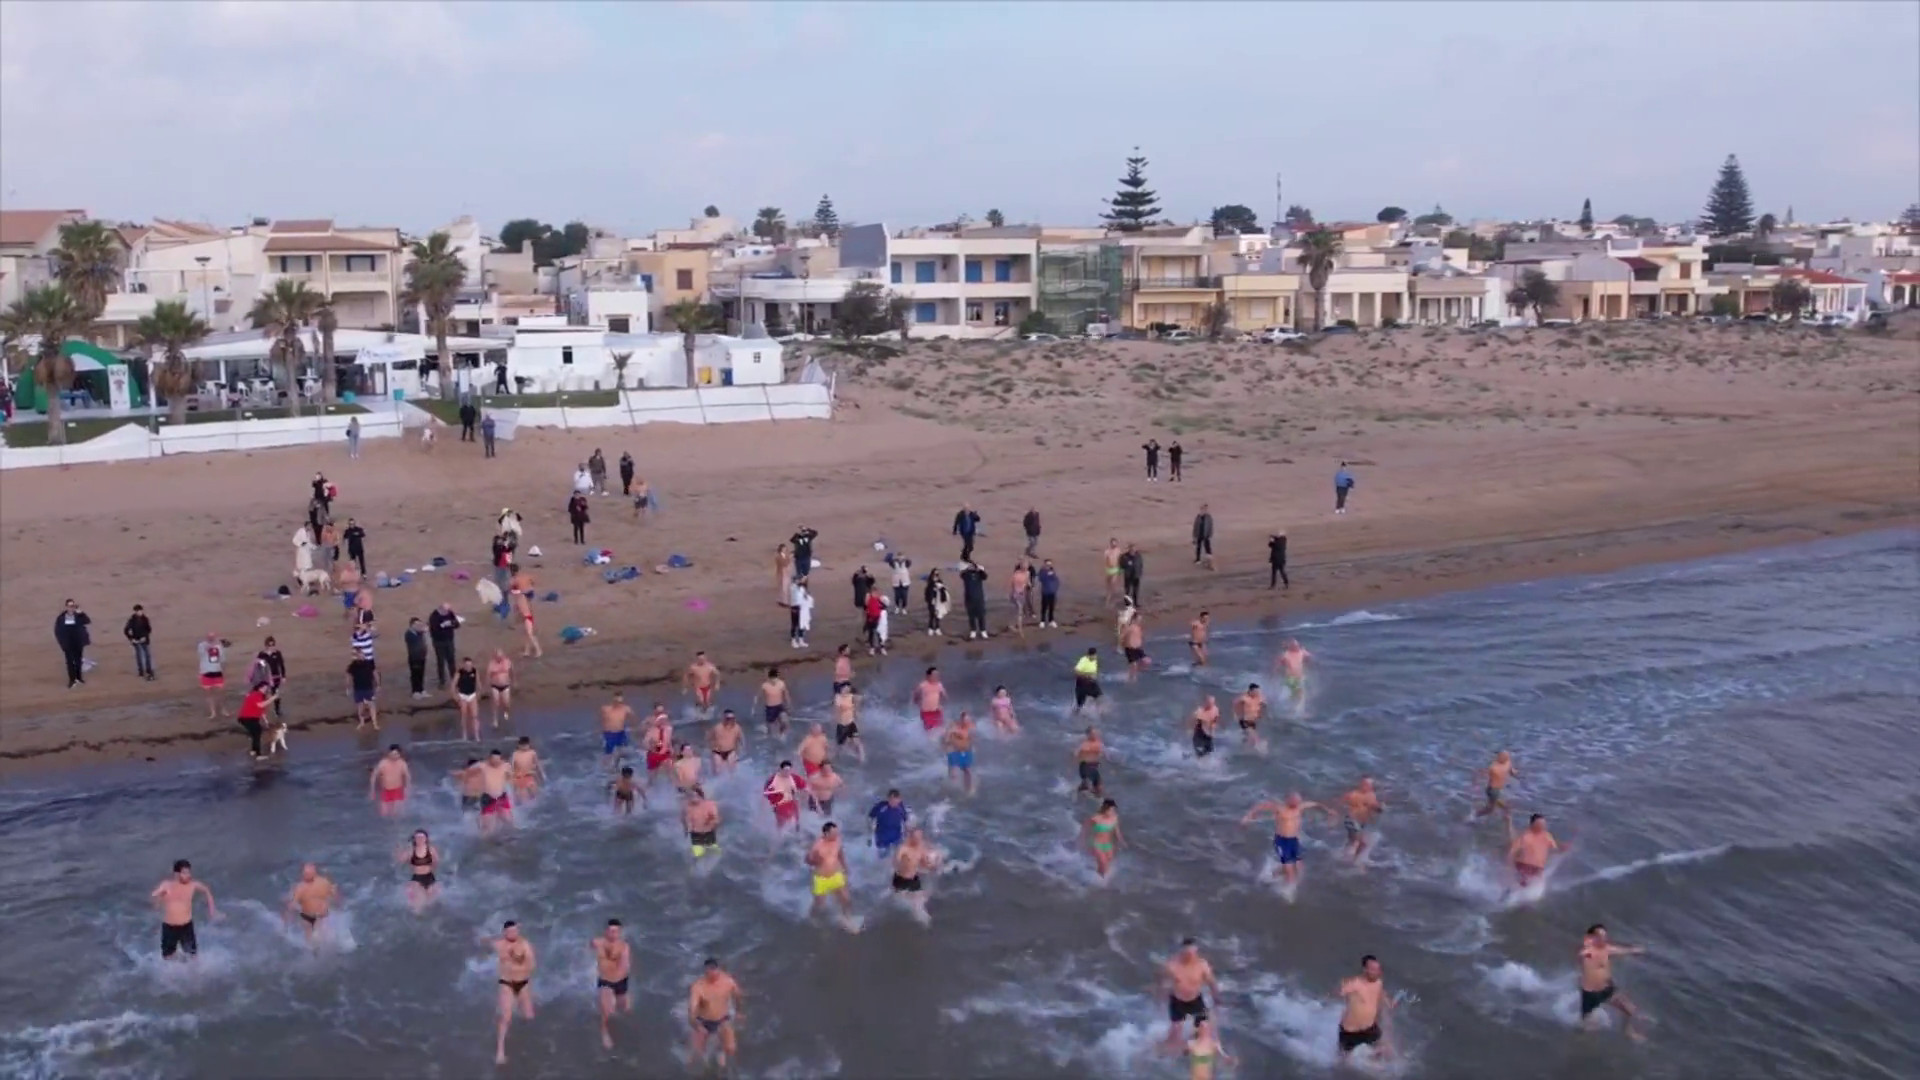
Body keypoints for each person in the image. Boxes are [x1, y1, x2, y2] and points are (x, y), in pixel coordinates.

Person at [1241, 793, 1337, 886]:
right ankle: (1288, 893)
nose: (1298, 803)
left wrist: (1328, 811)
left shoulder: (1300, 807)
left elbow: (1316, 804)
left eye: (1299, 801)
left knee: (1299, 867)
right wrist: (1248, 816)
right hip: (1282, 841)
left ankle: (1271, 876)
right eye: (1295, 801)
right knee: (1290, 872)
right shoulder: (1279, 808)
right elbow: (1260, 806)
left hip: (1294, 841)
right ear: (1288, 800)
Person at [1579, 924, 1648, 1040]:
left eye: (1604, 936)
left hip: (1607, 989)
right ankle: (1579, 1041)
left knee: (1629, 1010)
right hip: (1591, 993)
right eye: (1600, 936)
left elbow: (1622, 951)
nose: (1603, 939)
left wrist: (1634, 950)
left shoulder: (1607, 949)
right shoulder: (1587, 952)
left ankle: (1628, 1032)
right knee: (1585, 1026)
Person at [488, 921, 537, 1065]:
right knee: (506, 1016)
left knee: (529, 1016)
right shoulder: (499, 945)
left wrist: (517, 959)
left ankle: (518, 1029)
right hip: (506, 983)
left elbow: (532, 964)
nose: (513, 934)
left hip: (523, 983)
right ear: (504, 933)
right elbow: (487, 942)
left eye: (515, 931)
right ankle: (500, 1051)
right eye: (510, 932)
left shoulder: (524, 945)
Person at [152, 859, 219, 960]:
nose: (188, 875)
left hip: (186, 926)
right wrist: (159, 896)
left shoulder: (192, 885)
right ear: (176, 874)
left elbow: (206, 890)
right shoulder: (167, 885)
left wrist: (212, 910)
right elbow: (154, 898)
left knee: (193, 957)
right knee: (167, 959)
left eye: (189, 872)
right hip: (170, 927)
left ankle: (195, 974)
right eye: (184, 873)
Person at [688, 958, 744, 1069]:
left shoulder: (728, 982)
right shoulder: (698, 987)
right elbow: (692, 1010)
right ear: (705, 972)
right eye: (709, 971)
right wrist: (696, 1025)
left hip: (723, 1019)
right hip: (703, 1021)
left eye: (714, 969)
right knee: (696, 1056)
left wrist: (739, 1012)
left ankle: (721, 1057)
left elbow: (738, 997)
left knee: (731, 1049)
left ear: (719, 969)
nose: (713, 973)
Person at [1162, 939, 1220, 1046]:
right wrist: (1161, 995)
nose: (1190, 956)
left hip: (1195, 1000)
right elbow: (1163, 983)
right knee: (1175, 1032)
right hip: (1177, 1001)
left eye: (1193, 953)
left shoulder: (1202, 965)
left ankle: (1195, 1048)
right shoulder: (1172, 965)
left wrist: (1216, 998)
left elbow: (1212, 982)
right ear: (1181, 952)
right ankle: (1165, 1048)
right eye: (1187, 953)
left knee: (1203, 1029)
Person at [1337, 955, 1392, 1058]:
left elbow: (1381, 994)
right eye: (1373, 969)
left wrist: (1389, 1002)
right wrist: (1340, 989)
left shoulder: (1378, 982)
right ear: (1365, 970)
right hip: (1350, 1032)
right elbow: (1339, 992)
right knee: (1343, 1062)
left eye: (1378, 969)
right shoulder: (1354, 984)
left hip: (1369, 1028)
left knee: (1383, 1051)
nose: (1377, 972)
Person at [806, 822, 856, 929]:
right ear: (826, 834)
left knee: (846, 899)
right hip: (821, 878)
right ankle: (811, 917)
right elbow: (807, 859)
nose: (836, 835)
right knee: (820, 904)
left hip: (836, 874)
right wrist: (814, 861)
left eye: (837, 833)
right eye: (834, 833)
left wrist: (845, 867)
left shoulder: (837, 840)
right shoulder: (817, 845)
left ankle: (847, 918)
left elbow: (840, 853)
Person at [592, 920, 633, 1049]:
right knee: (607, 1010)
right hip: (606, 982)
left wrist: (620, 963)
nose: (612, 934)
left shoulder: (624, 947)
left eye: (615, 931)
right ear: (606, 931)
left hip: (621, 981)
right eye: (610, 931)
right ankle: (604, 1032)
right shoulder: (598, 943)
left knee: (625, 1008)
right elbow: (591, 946)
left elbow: (624, 964)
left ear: (620, 933)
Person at [892, 826, 943, 923]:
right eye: (916, 837)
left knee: (919, 902)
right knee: (902, 903)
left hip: (914, 879)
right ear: (911, 837)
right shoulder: (903, 848)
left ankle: (926, 924)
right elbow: (895, 862)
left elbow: (925, 864)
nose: (918, 839)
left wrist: (933, 866)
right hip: (901, 880)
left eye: (920, 837)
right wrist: (901, 864)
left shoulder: (921, 848)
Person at [284, 863, 338, 949]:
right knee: (312, 938)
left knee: (326, 937)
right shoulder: (300, 888)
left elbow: (334, 895)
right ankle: (314, 949)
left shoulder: (323, 883)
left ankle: (318, 948)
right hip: (308, 917)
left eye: (308, 873)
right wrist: (286, 923)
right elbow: (291, 906)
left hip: (322, 915)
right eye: (305, 874)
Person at [1507, 813, 1563, 890]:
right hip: (1524, 866)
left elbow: (1554, 850)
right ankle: (1508, 894)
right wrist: (1509, 865)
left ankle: (1519, 893)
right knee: (1520, 885)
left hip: (1538, 868)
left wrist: (1561, 849)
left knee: (1535, 886)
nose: (1543, 826)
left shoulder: (1547, 836)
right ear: (1532, 824)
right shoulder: (1526, 836)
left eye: (1544, 824)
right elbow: (1513, 851)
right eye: (1540, 824)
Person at [1340, 777, 1386, 866]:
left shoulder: (1371, 795)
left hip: (1361, 822)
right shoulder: (1353, 794)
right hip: (1351, 820)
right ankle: (1356, 861)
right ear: (1362, 785)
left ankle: (1344, 857)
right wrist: (1334, 814)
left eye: (1370, 785)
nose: (1369, 787)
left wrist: (1380, 808)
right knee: (1362, 843)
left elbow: (1373, 807)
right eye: (1366, 784)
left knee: (1352, 842)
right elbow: (1340, 803)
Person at [235, 680, 279, 758]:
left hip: (250, 718)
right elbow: (260, 705)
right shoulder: (256, 695)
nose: (265, 690)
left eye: (266, 688)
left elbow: (261, 711)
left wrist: (265, 720)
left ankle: (254, 751)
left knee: (256, 734)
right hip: (247, 718)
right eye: (264, 688)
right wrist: (272, 699)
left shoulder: (259, 696)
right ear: (259, 688)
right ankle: (258, 754)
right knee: (257, 733)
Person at [1083, 799, 1125, 878]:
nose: (1112, 812)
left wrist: (1121, 841)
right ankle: (1101, 883)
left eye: (1113, 810)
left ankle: (1097, 878)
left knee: (1107, 863)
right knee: (1104, 864)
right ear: (1105, 808)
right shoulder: (1095, 818)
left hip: (1108, 845)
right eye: (1111, 809)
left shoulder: (1114, 818)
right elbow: (1085, 830)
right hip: (1096, 844)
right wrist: (1084, 841)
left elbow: (1117, 831)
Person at [477, 749, 515, 833]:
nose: (496, 763)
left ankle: (509, 838)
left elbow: (511, 779)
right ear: (489, 759)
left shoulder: (506, 766)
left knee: (509, 821)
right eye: (493, 760)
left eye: (498, 760)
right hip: (488, 798)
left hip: (501, 796)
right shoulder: (482, 766)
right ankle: (485, 840)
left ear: (501, 759)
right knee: (488, 828)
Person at [401, 830, 439, 911]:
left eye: (422, 837)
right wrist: (403, 849)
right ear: (414, 839)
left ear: (426, 839)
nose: (420, 839)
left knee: (430, 904)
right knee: (417, 907)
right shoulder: (411, 851)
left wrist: (431, 870)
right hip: (417, 878)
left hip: (430, 876)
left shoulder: (431, 850)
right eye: (418, 838)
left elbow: (436, 862)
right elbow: (401, 860)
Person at [1475, 750, 1519, 819]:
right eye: (1500, 756)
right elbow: (1483, 774)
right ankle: (1474, 816)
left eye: (1505, 757)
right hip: (1492, 790)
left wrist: (1516, 773)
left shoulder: (1508, 763)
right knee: (1490, 809)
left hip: (1497, 790)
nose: (1500, 758)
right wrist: (1476, 784)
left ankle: (1505, 814)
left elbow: (1512, 771)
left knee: (1502, 805)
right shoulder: (1493, 767)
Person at [369, 744, 411, 815]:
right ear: (389, 753)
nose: (394, 756)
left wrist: (408, 789)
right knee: (384, 814)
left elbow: (407, 776)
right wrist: (372, 791)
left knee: (396, 814)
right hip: (386, 791)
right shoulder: (383, 763)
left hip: (398, 790)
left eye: (397, 754)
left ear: (400, 754)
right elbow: (374, 776)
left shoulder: (402, 763)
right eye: (393, 754)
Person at [428, 603, 461, 688]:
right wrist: (443, 625)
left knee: (451, 660)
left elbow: (457, 624)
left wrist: (452, 623)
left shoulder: (450, 613)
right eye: (446, 611)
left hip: (449, 640)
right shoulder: (434, 616)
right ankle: (442, 681)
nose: (447, 613)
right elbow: (434, 630)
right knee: (441, 661)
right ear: (441, 609)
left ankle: (454, 680)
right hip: (439, 642)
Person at [195, 632, 228, 717]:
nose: (211, 638)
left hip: (217, 671)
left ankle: (223, 709)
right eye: (209, 637)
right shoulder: (202, 646)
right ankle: (213, 712)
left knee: (220, 693)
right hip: (206, 672)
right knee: (209, 694)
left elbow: (222, 659)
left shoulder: (219, 647)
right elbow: (201, 653)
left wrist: (223, 670)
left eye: (212, 637)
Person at [868, 789, 911, 854]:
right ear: (888, 799)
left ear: (899, 799)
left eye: (895, 800)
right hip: (882, 836)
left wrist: (907, 834)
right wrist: (869, 835)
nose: (892, 802)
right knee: (883, 856)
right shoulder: (881, 806)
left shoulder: (901, 808)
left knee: (898, 855)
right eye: (891, 800)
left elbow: (906, 821)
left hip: (896, 836)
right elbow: (870, 818)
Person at [685, 785, 722, 857]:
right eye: (691, 796)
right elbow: (687, 820)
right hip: (695, 835)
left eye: (695, 796)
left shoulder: (710, 804)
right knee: (698, 856)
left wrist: (710, 823)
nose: (693, 798)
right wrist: (686, 829)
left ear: (700, 795)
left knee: (714, 855)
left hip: (708, 833)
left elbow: (717, 819)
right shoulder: (689, 807)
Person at [944, 712, 976, 794]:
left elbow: (973, 740)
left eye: (968, 720)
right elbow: (946, 739)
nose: (967, 722)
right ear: (961, 720)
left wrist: (972, 748)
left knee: (967, 771)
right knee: (953, 773)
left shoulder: (971, 727)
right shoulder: (954, 727)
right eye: (965, 720)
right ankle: (950, 787)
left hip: (966, 752)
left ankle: (968, 789)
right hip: (955, 752)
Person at [764, 761, 802, 831]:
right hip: (779, 803)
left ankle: (795, 831)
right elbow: (766, 794)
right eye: (785, 770)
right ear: (781, 770)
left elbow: (803, 788)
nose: (787, 772)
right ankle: (779, 834)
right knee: (781, 823)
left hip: (792, 802)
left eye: (789, 770)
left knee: (796, 821)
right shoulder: (773, 779)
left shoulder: (793, 777)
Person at [832, 684, 865, 762]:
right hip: (842, 725)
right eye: (844, 689)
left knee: (857, 742)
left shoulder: (851, 697)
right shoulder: (838, 698)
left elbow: (859, 698)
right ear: (841, 690)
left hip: (851, 723)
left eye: (848, 689)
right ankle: (833, 759)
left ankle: (862, 760)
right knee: (839, 747)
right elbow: (837, 710)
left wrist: (856, 710)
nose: (846, 691)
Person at [348, 654, 380, 730]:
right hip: (358, 689)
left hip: (368, 688)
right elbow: (348, 675)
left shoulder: (369, 664)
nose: (359, 657)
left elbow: (375, 673)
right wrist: (347, 686)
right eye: (358, 655)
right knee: (360, 706)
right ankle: (362, 723)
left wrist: (378, 684)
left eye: (361, 655)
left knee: (371, 705)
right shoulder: (353, 665)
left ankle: (375, 723)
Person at [123, 603, 154, 681]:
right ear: (135, 611)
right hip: (136, 640)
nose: (139, 612)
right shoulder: (132, 620)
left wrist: (145, 637)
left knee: (147, 655)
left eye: (140, 611)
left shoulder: (145, 619)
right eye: (137, 611)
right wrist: (131, 639)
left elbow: (149, 629)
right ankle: (141, 671)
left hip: (144, 640)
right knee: (139, 656)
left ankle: (148, 670)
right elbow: (126, 630)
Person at [1232, 683, 1266, 752]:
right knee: (1254, 736)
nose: (1257, 693)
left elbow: (1264, 705)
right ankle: (1260, 749)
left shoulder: (1259, 697)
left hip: (1253, 721)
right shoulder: (1244, 697)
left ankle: (1244, 748)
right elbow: (1235, 703)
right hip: (1245, 720)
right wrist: (1235, 714)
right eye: (1255, 691)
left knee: (1248, 738)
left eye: (1258, 691)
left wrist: (1261, 713)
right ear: (1251, 691)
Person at [960, 560, 989, 639]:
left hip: (979, 598)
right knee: (971, 615)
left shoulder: (979, 575)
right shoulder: (966, 575)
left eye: (973, 566)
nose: (973, 567)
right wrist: (967, 568)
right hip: (969, 598)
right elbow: (961, 575)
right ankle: (973, 631)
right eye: (971, 566)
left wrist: (980, 569)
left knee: (981, 615)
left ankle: (983, 631)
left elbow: (985, 576)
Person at [454, 657, 482, 740]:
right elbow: (453, 685)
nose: (468, 667)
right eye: (467, 665)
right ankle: (464, 734)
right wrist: (456, 697)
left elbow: (478, 683)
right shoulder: (459, 673)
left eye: (470, 665)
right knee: (464, 716)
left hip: (472, 695)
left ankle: (477, 735)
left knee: (475, 716)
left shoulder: (475, 671)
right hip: (462, 695)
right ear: (463, 665)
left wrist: (479, 694)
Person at [914, 667, 947, 734]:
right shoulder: (923, 685)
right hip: (926, 712)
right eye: (934, 675)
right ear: (928, 676)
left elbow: (944, 695)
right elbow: (916, 694)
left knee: (940, 730)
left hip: (937, 711)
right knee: (929, 732)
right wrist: (917, 702)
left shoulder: (939, 685)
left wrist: (941, 704)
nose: (936, 677)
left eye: (937, 675)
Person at [1074, 727, 1105, 798]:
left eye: (1095, 733)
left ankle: (1097, 801)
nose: (1095, 735)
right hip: (1085, 766)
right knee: (1087, 783)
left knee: (1099, 788)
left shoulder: (1099, 743)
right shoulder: (1084, 745)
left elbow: (1104, 753)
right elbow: (1076, 753)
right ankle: (1079, 793)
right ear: (1088, 735)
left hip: (1094, 768)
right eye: (1093, 733)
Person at [403, 617, 429, 699]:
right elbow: (415, 642)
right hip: (414, 657)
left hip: (421, 657)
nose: (419, 626)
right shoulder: (409, 634)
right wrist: (423, 631)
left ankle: (421, 690)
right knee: (415, 675)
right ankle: (415, 691)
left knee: (421, 674)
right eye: (417, 624)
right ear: (412, 625)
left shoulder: (419, 633)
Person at [487, 649, 514, 728]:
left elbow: (512, 671)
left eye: (501, 657)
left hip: (506, 685)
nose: (499, 658)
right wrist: (487, 685)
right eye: (498, 657)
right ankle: (495, 720)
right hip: (495, 686)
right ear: (495, 657)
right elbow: (488, 675)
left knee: (507, 703)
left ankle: (506, 712)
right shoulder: (491, 664)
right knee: (496, 703)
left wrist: (513, 681)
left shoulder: (507, 662)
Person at [1073, 647, 1103, 715]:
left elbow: (1093, 671)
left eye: (1095, 655)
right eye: (1093, 655)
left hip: (1092, 682)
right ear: (1089, 655)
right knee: (1080, 704)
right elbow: (1076, 672)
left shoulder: (1095, 660)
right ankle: (1076, 713)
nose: (1095, 657)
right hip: (1082, 683)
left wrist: (1094, 676)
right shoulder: (1083, 660)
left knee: (1099, 696)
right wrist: (1088, 675)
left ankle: (1099, 712)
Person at [1121, 609, 1149, 681]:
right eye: (1139, 619)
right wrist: (1120, 646)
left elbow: (1139, 637)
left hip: (1137, 648)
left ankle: (1134, 673)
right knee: (1133, 665)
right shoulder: (1129, 627)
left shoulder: (1138, 627)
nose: (1140, 621)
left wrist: (1141, 642)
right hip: (1129, 648)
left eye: (1140, 619)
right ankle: (1131, 679)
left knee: (1147, 661)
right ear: (1134, 619)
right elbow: (1122, 636)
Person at [924, 569, 950, 636]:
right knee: (932, 615)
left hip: (939, 602)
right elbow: (927, 593)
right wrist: (929, 600)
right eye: (934, 575)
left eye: (937, 575)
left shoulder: (940, 583)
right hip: (932, 602)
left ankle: (937, 628)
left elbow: (944, 593)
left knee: (938, 616)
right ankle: (931, 628)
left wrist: (941, 589)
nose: (936, 576)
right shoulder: (930, 584)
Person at [790, 577, 814, 648]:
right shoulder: (793, 588)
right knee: (795, 624)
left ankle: (801, 640)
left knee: (802, 624)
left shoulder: (802, 588)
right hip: (795, 608)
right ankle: (793, 640)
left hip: (802, 609)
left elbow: (806, 597)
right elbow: (794, 599)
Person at [1037, 559, 1061, 627]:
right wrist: (1047, 574)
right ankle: (1042, 621)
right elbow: (1041, 579)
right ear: (1044, 565)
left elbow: (1056, 580)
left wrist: (1055, 588)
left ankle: (1051, 620)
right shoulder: (1042, 571)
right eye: (1047, 564)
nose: (1048, 566)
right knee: (1044, 607)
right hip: (1045, 592)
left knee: (1051, 607)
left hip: (1052, 592)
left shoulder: (1053, 572)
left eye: (1050, 564)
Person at [1102, 538, 1124, 608]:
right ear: (1110, 543)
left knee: (1113, 585)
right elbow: (1105, 561)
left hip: (1115, 569)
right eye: (1112, 543)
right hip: (1108, 570)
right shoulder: (1107, 551)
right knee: (1108, 586)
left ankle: (1111, 601)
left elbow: (1121, 560)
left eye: (1115, 543)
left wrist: (1120, 570)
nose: (1114, 544)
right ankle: (1108, 600)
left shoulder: (1118, 551)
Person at [1191, 504, 1214, 569]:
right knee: (1198, 547)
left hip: (1206, 535)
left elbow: (1210, 526)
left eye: (1205, 509)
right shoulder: (1198, 517)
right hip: (1199, 534)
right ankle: (1198, 559)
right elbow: (1195, 527)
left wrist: (1210, 534)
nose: (1204, 511)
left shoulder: (1208, 517)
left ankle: (1209, 561)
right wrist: (1194, 536)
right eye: (1203, 509)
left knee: (1208, 548)